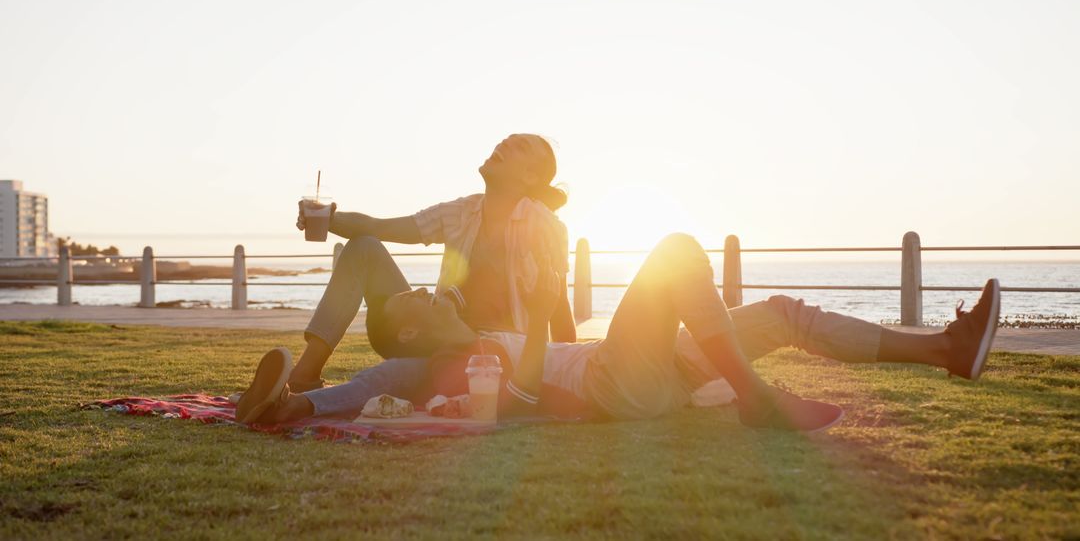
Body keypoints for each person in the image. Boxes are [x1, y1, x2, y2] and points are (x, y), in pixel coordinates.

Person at [238, 233, 1001, 432]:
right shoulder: (429, 365)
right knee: (674, 251)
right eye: (421, 303)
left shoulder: (481, 326)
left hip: (647, 370)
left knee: (776, 313)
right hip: (617, 386)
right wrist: (296, 407)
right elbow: (364, 387)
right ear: (410, 332)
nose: (435, 294)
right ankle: (753, 399)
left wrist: (536, 310)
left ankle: (947, 350)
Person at [236, 134, 574, 422]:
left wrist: (570, 367)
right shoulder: (462, 211)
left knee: (389, 376)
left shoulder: (544, 228)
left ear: (531, 177)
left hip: (488, 358)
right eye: (507, 138)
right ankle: (304, 376)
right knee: (364, 248)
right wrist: (330, 218)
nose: (505, 141)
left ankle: (291, 406)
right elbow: (379, 228)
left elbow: (557, 305)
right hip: (434, 331)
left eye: (519, 146)